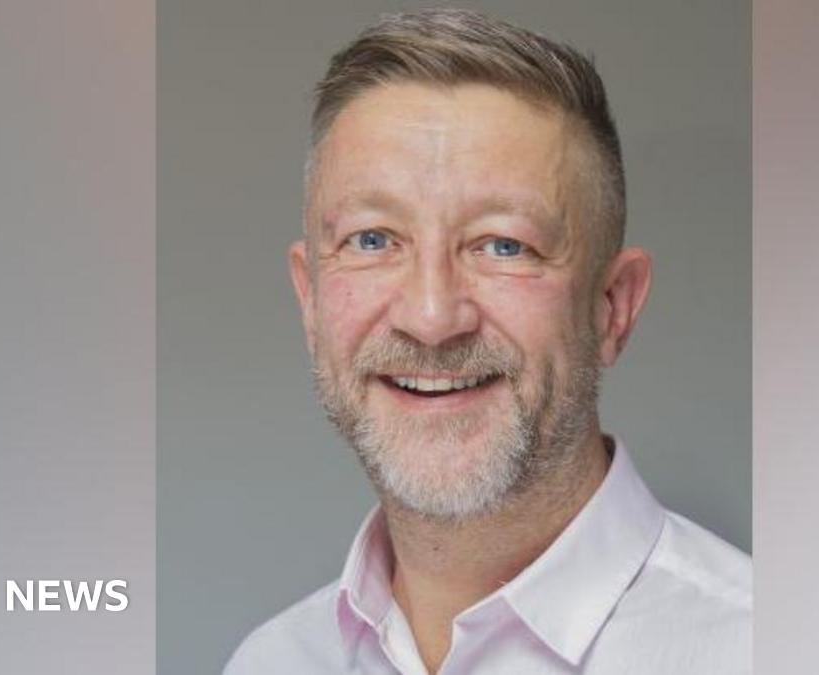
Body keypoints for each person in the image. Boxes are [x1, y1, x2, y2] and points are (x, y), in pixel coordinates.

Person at [225, 9, 750, 674]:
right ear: (311, 298)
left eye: (505, 245)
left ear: (612, 307)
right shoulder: (271, 661)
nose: (432, 316)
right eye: (373, 239)